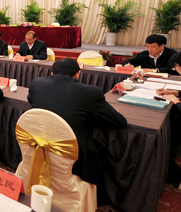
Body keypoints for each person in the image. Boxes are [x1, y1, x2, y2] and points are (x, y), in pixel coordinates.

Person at [27, 58, 127, 188]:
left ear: (51, 73)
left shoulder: (36, 84)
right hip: (75, 156)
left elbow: (31, 101)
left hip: (39, 144)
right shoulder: (90, 92)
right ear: (78, 74)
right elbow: (119, 122)